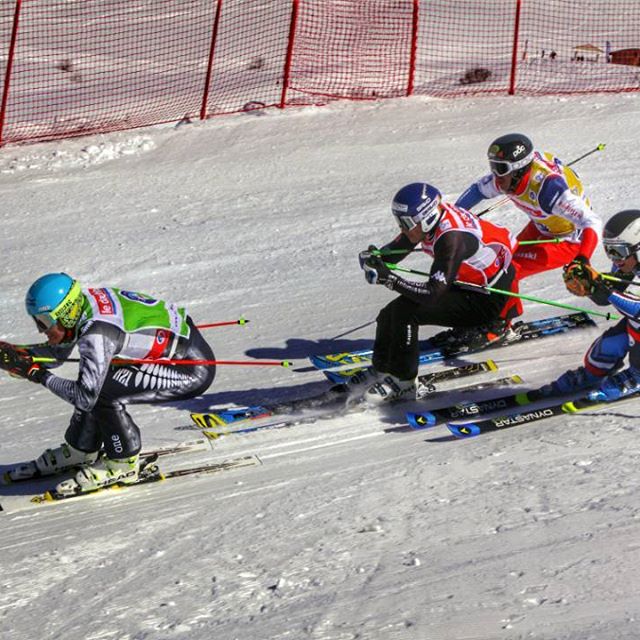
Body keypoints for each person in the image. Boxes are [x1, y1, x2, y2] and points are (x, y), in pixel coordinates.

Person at [0, 273, 215, 495]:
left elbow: (85, 397)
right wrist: (18, 356)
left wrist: (36, 374)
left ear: (65, 314)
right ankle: (82, 448)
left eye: (44, 322)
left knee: (100, 390)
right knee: (98, 377)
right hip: (180, 345)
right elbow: (56, 355)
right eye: (37, 321)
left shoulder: (97, 333)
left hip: (192, 369)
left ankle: (123, 463)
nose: (41, 330)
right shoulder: (81, 306)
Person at [358, 182, 519, 403]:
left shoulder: (451, 239)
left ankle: (405, 383)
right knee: (389, 313)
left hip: (485, 299)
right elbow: (401, 245)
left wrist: (390, 279)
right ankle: (382, 368)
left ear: (427, 217)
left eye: (405, 223)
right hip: (467, 284)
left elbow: (432, 293)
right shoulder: (427, 225)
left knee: (407, 314)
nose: (402, 228)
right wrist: (378, 258)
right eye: (399, 222)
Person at [455, 133, 602, 304]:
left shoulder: (548, 190)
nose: (495, 176)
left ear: (519, 169)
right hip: (542, 225)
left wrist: (583, 259)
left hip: (568, 241)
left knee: (507, 271)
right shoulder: (505, 178)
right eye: (493, 166)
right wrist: (453, 218)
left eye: (500, 168)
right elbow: (478, 190)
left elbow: (592, 221)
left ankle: (501, 320)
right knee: (502, 259)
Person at [543, 209, 640, 399]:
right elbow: (608, 297)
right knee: (607, 347)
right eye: (609, 251)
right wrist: (590, 287)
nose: (615, 259)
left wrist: (606, 290)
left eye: (619, 251)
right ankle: (592, 374)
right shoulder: (628, 263)